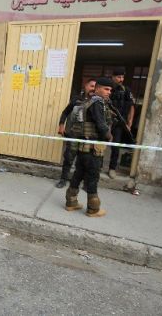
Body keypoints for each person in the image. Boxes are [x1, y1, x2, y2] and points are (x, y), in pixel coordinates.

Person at [64, 78, 115, 218]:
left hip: (83, 148)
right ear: (97, 88)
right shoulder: (98, 103)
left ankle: (71, 202)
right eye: (106, 89)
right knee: (92, 177)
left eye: (110, 90)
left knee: (78, 174)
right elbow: (101, 125)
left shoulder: (88, 102)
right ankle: (93, 209)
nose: (109, 92)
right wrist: (109, 135)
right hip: (93, 149)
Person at [56, 78, 97, 188]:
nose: (93, 89)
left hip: (88, 137)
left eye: (95, 87)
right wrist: (61, 125)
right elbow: (65, 113)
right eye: (91, 86)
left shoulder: (97, 102)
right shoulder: (76, 99)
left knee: (85, 160)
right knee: (69, 158)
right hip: (74, 134)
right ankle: (63, 179)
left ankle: (83, 183)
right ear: (86, 86)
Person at [108, 68, 135, 179]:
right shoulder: (107, 88)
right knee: (100, 144)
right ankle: (97, 166)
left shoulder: (126, 90)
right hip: (106, 121)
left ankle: (112, 168)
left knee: (116, 146)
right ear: (113, 77)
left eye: (122, 77)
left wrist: (129, 122)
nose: (121, 79)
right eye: (119, 77)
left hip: (119, 123)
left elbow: (131, 106)